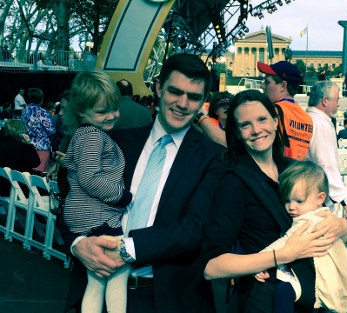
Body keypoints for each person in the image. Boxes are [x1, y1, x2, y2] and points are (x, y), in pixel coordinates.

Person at [59, 53, 224, 313]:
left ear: (204, 101)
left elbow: (196, 228)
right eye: (175, 91)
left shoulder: (213, 158)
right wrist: (78, 245)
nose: (182, 103)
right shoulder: (116, 141)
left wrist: (125, 249)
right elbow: (72, 197)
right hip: (97, 290)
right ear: (158, 87)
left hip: (166, 299)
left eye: (193, 97)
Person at [201, 90, 347, 312]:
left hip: (312, 292)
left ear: (275, 120)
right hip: (266, 299)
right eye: (245, 124)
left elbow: (322, 223)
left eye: (262, 119)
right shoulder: (234, 181)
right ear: (237, 132)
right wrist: (283, 254)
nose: (256, 130)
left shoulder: (292, 170)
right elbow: (212, 267)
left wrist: (341, 225)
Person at [62, 71, 133, 313]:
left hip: (82, 215)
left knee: (95, 280)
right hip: (98, 214)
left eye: (114, 108)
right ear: (81, 111)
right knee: (119, 270)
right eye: (102, 111)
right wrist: (123, 196)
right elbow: (89, 178)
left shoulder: (80, 134)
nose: (112, 115)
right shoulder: (93, 136)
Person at [255, 161, 347, 313]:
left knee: (283, 290)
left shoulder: (307, 220)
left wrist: (259, 260)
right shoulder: (326, 216)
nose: (291, 206)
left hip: (319, 277)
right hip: (336, 277)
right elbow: (345, 236)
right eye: (287, 201)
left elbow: (285, 242)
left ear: (320, 198)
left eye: (299, 201)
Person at [306, 81, 347, 219]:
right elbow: (325, 162)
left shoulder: (310, 118)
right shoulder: (320, 124)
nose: (338, 104)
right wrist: (345, 199)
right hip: (318, 194)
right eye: (337, 99)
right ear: (325, 100)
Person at [258, 60, 313, 160]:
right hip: (295, 171)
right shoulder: (307, 117)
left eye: (267, 82)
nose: (262, 86)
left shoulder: (272, 112)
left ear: (283, 86)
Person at [0, 119, 40, 197]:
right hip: (18, 187)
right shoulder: (22, 147)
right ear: (20, 133)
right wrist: (29, 144)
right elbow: (35, 162)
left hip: (3, 185)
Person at [21, 88, 56, 172]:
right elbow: (51, 130)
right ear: (41, 99)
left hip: (27, 145)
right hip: (41, 147)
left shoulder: (24, 111)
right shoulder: (42, 112)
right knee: (40, 177)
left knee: (29, 176)